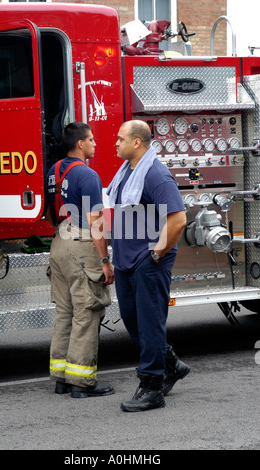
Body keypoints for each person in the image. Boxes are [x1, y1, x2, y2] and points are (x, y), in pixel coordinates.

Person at [107, 120, 190, 412]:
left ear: (137, 142)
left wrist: (155, 255)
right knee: (133, 322)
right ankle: (171, 364)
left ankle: (152, 388)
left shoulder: (156, 175)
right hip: (126, 260)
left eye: (120, 139)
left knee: (150, 323)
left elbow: (178, 220)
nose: (115, 143)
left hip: (148, 260)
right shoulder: (126, 172)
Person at [45, 122, 115, 398]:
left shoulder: (54, 171)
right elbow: (95, 221)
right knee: (87, 312)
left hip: (58, 240)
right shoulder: (87, 175)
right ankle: (82, 382)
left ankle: (61, 378)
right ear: (80, 144)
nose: (95, 144)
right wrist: (105, 260)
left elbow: (49, 213)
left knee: (65, 312)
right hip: (81, 242)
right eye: (92, 139)